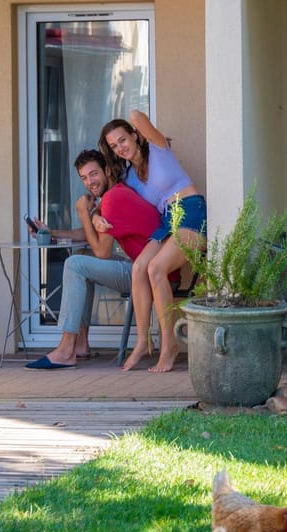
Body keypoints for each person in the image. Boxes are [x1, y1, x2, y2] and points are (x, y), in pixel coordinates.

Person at [24, 149, 161, 370]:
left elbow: (102, 252)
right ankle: (80, 344)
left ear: (107, 170)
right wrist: (53, 232)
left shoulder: (113, 199)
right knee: (80, 257)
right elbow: (90, 236)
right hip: (139, 267)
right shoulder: (112, 195)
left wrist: (83, 213)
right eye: (84, 178)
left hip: (148, 274)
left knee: (75, 264)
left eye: (94, 174)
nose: (89, 182)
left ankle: (66, 349)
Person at [97, 110, 207, 373]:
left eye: (122, 140)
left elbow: (136, 116)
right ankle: (142, 342)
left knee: (155, 268)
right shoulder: (128, 178)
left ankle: (168, 345)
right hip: (166, 221)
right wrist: (96, 219)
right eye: (113, 146)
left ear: (135, 136)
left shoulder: (159, 148)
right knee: (139, 269)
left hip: (190, 210)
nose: (120, 148)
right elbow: (103, 201)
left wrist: (131, 122)